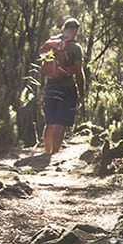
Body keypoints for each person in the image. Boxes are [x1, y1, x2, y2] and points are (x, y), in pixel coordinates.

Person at [41, 18, 86, 154]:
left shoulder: (51, 44)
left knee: (50, 122)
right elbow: (78, 72)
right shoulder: (75, 47)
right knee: (61, 123)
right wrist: (82, 93)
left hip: (50, 86)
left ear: (63, 28)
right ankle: (54, 154)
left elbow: (45, 68)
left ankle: (46, 152)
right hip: (67, 88)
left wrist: (45, 88)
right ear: (74, 30)